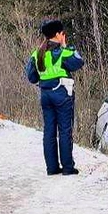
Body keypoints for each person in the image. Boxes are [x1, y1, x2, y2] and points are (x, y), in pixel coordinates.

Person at [25, 20, 84, 175]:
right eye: (62, 33)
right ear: (58, 34)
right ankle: (67, 168)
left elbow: (31, 77)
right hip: (62, 94)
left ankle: (52, 168)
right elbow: (78, 62)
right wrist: (66, 46)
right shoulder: (63, 52)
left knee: (49, 132)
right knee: (65, 131)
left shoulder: (37, 54)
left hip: (45, 96)